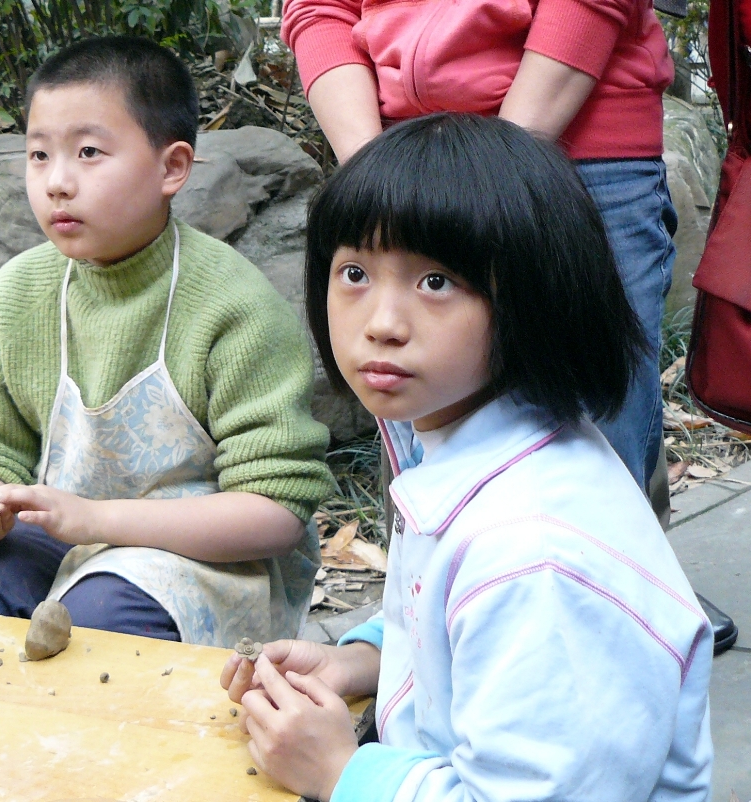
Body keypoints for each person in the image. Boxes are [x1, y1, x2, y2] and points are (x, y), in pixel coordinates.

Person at [221, 115, 713, 802]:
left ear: (532, 296)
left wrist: (339, 771)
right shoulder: (475, 443)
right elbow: (455, 620)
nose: (382, 323)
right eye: (355, 273)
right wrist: (369, 657)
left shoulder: (535, 555)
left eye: (436, 283)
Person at [0, 36, 333, 647]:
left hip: (204, 558)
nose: (57, 182)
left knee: (99, 626)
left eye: (88, 152)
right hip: (60, 531)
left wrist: (96, 519)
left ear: (172, 167)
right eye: (38, 155)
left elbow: (274, 510)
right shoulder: (13, 298)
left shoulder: (234, 306)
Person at [280, 0, 674, 497]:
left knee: (596, 432)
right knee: (425, 448)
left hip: (579, 138)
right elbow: (320, 8)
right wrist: (379, 174)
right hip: (405, 148)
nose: (381, 325)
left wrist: (495, 175)